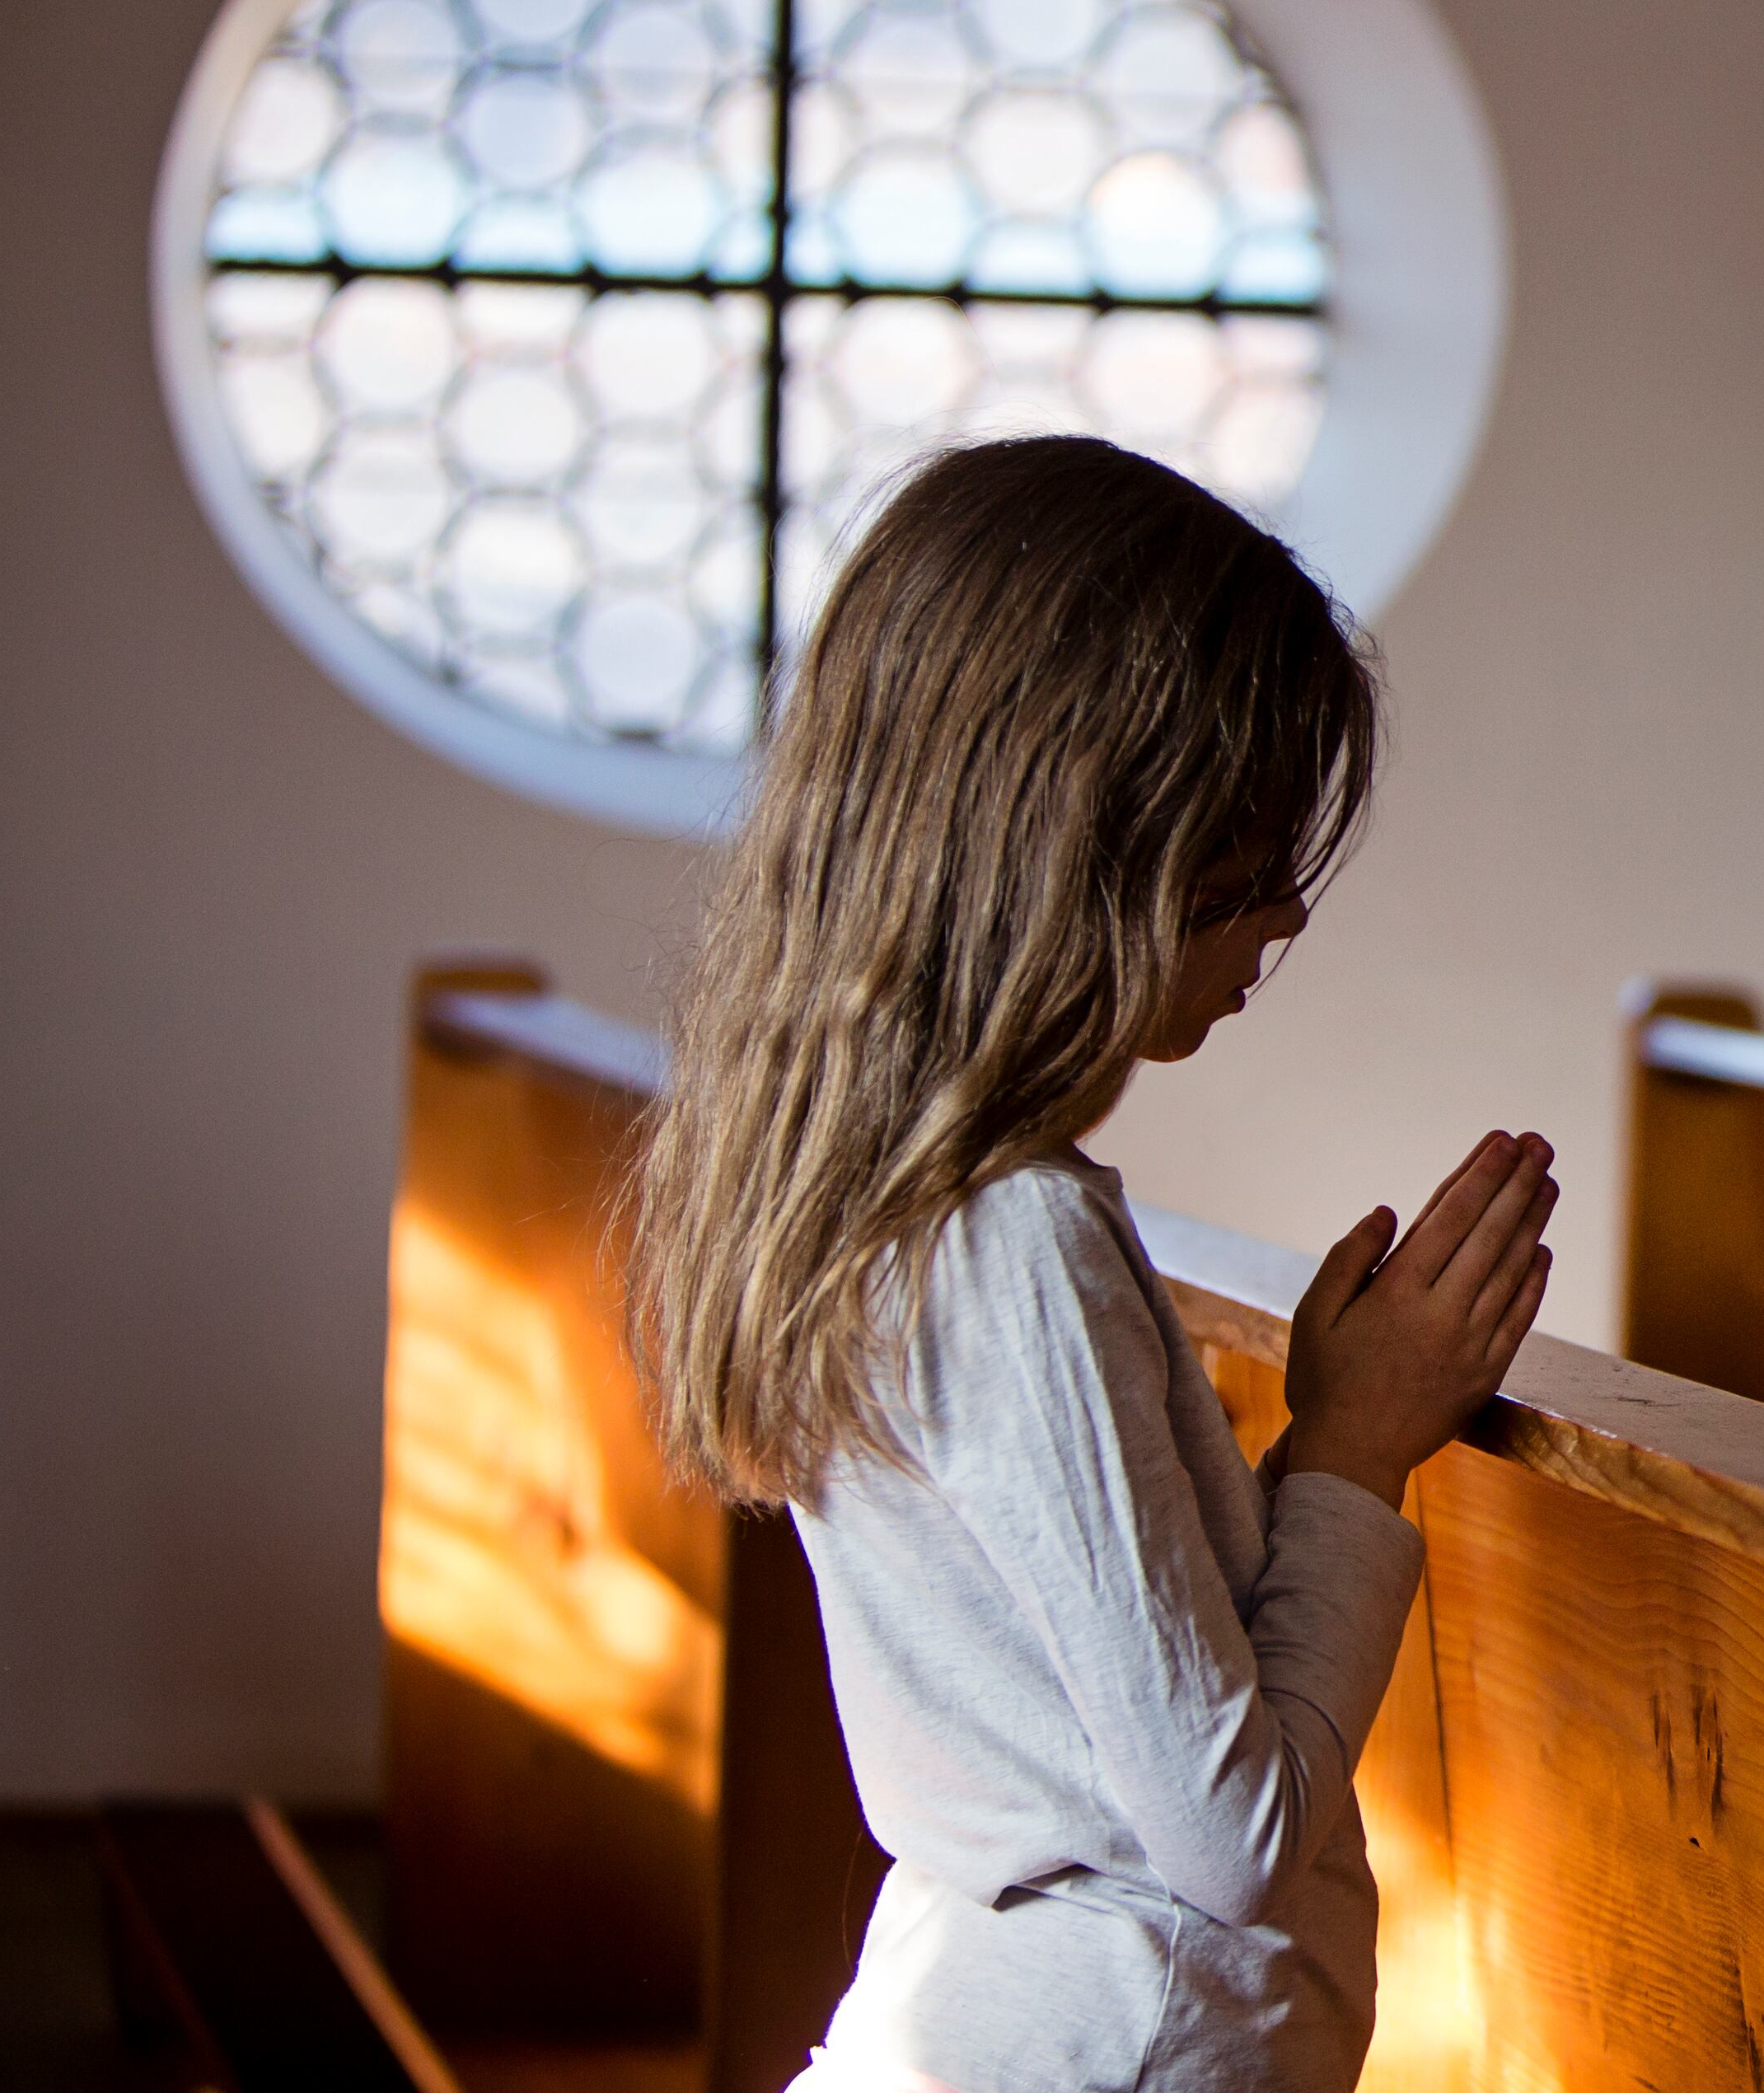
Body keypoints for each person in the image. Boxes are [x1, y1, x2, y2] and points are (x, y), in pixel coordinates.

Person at [626, 434, 1554, 2093]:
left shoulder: (891, 1189)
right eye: (1250, 845)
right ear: (1087, 830)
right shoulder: (1013, 1240)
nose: (1282, 914)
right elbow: (1230, 1835)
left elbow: (1095, 1703)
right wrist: (1353, 1455)